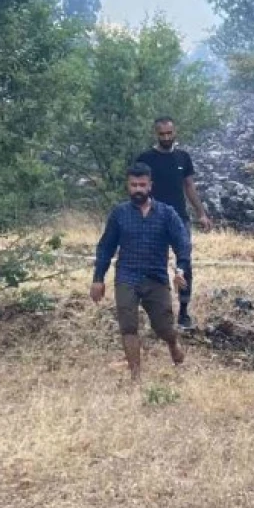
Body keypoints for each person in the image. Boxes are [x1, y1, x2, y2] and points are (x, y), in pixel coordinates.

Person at [91, 162, 192, 382]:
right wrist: (98, 279)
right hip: (127, 276)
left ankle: (173, 344)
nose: (138, 189)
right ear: (128, 186)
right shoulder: (119, 214)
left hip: (155, 277)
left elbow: (182, 243)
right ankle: (135, 377)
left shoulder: (167, 214)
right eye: (134, 185)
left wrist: (181, 269)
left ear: (150, 186)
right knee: (128, 326)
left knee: (163, 327)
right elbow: (106, 247)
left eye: (142, 185)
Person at [135, 116, 212, 330]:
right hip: (153, 220)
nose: (166, 137)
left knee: (184, 264)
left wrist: (201, 213)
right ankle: (158, 314)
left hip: (179, 219)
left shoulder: (183, 157)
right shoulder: (145, 159)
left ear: (175, 132)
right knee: (153, 267)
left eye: (170, 133)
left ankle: (184, 313)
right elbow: (138, 188)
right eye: (162, 134)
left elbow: (189, 186)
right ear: (156, 134)